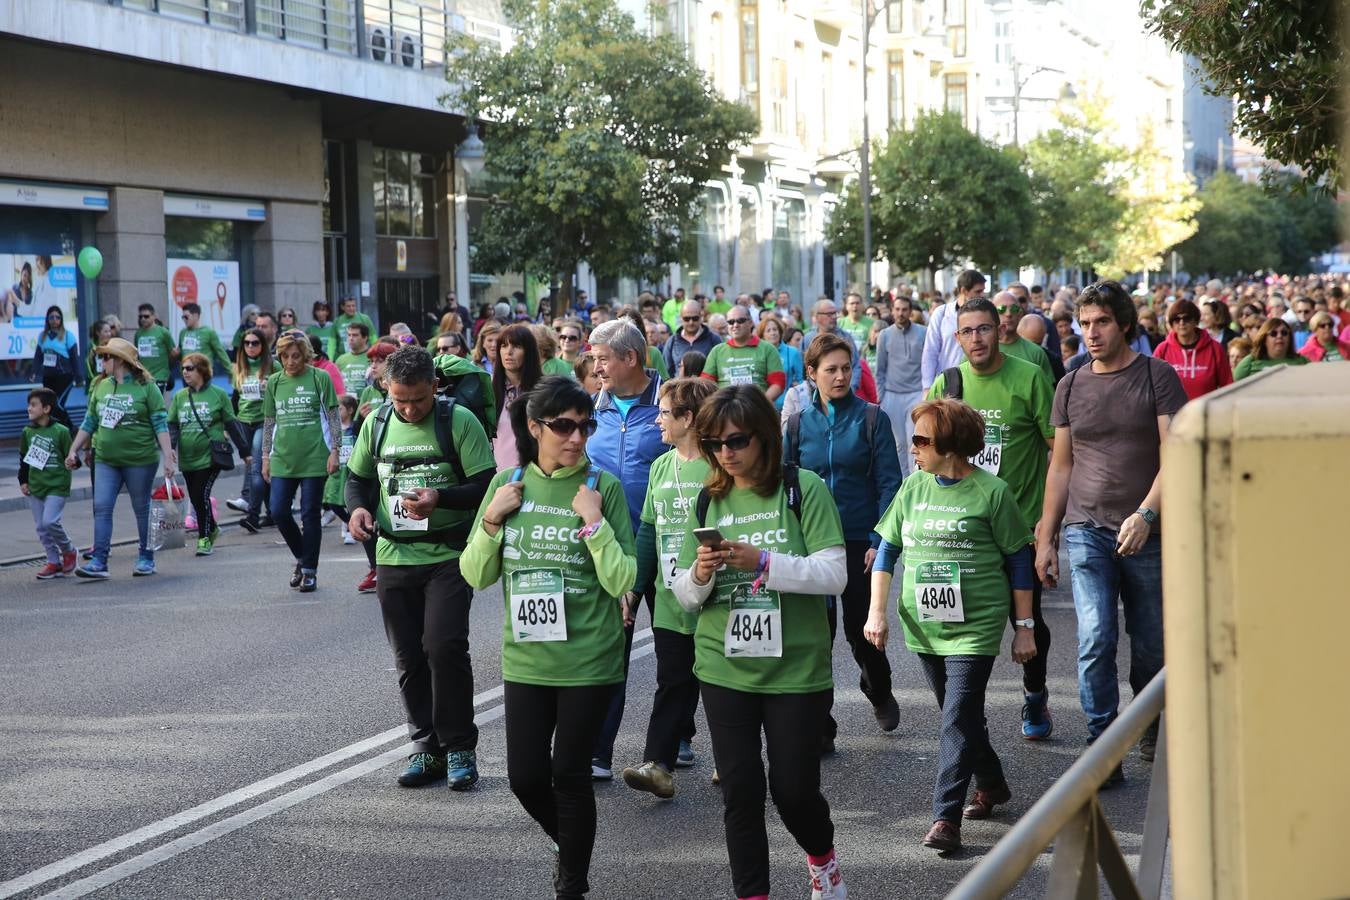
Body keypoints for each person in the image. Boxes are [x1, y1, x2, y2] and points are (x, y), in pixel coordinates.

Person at [672, 385, 850, 900]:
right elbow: (684, 595)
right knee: (740, 794)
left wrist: (766, 563)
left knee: (793, 792)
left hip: (795, 669)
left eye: (736, 440)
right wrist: (701, 574)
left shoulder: (802, 488)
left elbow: (834, 573)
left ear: (765, 438)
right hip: (724, 667)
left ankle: (823, 862)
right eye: (712, 444)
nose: (724, 453)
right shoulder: (709, 497)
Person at [461, 376, 636, 900]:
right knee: (526, 778)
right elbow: (475, 575)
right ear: (535, 427)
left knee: (570, 775)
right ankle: (571, 846)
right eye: (564, 426)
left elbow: (624, 579)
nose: (577, 437)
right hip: (527, 660)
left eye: (586, 426)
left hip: (589, 657)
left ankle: (573, 886)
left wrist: (594, 525)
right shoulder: (507, 486)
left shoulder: (601, 489)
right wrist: (492, 520)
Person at [864, 398, 1037, 853]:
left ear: (952, 445)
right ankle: (993, 783)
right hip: (924, 625)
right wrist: (876, 612)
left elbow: (1020, 558)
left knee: (957, 717)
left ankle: (945, 817)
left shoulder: (992, 492)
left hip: (974, 626)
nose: (914, 448)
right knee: (956, 713)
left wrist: (1024, 626)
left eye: (922, 440)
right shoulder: (914, 487)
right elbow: (886, 551)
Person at [1036, 281, 1187, 783]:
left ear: (1123, 322)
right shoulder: (1071, 384)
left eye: (1101, 322)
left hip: (1150, 531)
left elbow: (1177, 454)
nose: (1091, 333)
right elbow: (1060, 467)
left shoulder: (1157, 376)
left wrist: (1146, 515)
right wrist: (1046, 537)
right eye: (1084, 324)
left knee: (1149, 643)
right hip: (1086, 529)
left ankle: (1147, 724)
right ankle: (1102, 743)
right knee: (1096, 633)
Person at [346, 346, 495, 791]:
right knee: (409, 656)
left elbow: (487, 485)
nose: (409, 409)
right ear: (386, 391)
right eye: (400, 401)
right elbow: (357, 480)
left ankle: (460, 748)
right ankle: (425, 747)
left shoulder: (458, 421)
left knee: (444, 647)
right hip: (393, 556)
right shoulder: (376, 423)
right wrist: (356, 511)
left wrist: (441, 497)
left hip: (448, 556)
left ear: (435, 386)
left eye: (418, 400)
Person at [926, 299, 1057, 740]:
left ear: (999, 331)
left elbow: (1059, 450)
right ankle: (968, 723)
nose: (977, 338)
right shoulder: (948, 385)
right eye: (968, 331)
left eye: (985, 329)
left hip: (1021, 527)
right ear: (957, 337)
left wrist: (1050, 524)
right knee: (963, 630)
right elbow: (927, 454)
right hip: (965, 531)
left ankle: (1035, 693)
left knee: (1028, 621)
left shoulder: (1030, 376)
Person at [784, 334, 902, 738]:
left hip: (859, 541)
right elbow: (787, 483)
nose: (839, 377)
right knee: (817, 634)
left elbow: (890, 484)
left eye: (846, 369)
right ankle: (821, 721)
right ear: (811, 374)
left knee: (859, 631)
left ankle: (878, 689)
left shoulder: (872, 418)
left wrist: (878, 540)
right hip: (812, 542)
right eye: (830, 370)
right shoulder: (798, 424)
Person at [620, 377, 718, 799]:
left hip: (715, 596)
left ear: (688, 418)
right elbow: (647, 533)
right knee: (672, 680)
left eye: (664, 412)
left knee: (717, 681)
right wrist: (635, 589)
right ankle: (658, 765)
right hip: (668, 595)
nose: (657, 419)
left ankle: (732, 760)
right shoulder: (661, 466)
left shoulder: (718, 465)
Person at [584, 320, 667, 779]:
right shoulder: (591, 407)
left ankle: (677, 734)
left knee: (678, 650)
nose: (595, 368)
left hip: (667, 543)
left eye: (601, 359)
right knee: (610, 646)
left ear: (630, 358)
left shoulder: (669, 403)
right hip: (611, 545)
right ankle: (599, 752)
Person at [65, 338, 176, 578]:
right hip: (105, 459)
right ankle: (99, 561)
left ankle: (146, 558)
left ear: (120, 361)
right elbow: (90, 421)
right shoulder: (101, 387)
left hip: (140, 459)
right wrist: (74, 449)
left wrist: (168, 456)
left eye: (106, 357)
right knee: (102, 507)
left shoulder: (147, 387)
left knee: (141, 507)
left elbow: (159, 422)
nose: (102, 361)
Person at [261, 331, 341, 592]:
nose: (290, 361)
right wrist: (265, 457)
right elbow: (269, 421)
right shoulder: (274, 382)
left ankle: (310, 571)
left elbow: (333, 416)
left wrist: (335, 451)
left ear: (306, 355)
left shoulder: (320, 378)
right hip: (283, 457)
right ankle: (302, 557)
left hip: (315, 455)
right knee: (279, 512)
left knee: (309, 514)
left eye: (296, 356)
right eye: (285, 356)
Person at [168, 353, 252, 556]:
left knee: (201, 494)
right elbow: (172, 425)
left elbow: (232, 424)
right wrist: (169, 448)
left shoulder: (218, 394)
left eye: (190, 368)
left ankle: (204, 538)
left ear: (202, 371)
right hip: (188, 458)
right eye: (184, 369)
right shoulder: (179, 397)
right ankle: (213, 528)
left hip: (211, 456)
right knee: (196, 499)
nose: (185, 372)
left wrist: (245, 452)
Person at [20, 388, 77, 579]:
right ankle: (53, 561)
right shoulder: (27, 432)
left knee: (50, 521)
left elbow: (71, 456)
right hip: (36, 485)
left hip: (57, 485)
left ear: (46, 408)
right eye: (29, 404)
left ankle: (68, 549)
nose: (29, 408)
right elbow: (24, 459)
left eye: (33, 405)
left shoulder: (61, 431)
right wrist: (23, 481)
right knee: (41, 528)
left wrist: (73, 462)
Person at [226, 327, 274, 532]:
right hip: (243, 421)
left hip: (264, 421)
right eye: (247, 343)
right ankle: (273, 512)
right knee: (258, 470)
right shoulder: (239, 368)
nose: (250, 347)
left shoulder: (273, 365)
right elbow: (235, 399)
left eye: (255, 343)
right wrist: (231, 426)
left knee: (256, 468)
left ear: (262, 345)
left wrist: (269, 384)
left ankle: (253, 516)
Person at [875, 294, 927, 472]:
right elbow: (880, 369)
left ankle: (915, 480)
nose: (900, 313)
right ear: (892, 311)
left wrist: (925, 393)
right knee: (898, 444)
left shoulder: (923, 332)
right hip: (892, 395)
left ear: (910, 311)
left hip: (916, 394)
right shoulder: (884, 335)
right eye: (897, 309)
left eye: (904, 309)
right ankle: (902, 483)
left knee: (915, 441)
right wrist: (881, 397)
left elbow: (927, 364)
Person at [1154, 298, 1233, 400]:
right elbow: (1152, 386)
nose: (1181, 323)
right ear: (1172, 323)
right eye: (1177, 320)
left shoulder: (1215, 348)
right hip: (1173, 414)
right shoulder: (1162, 349)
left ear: (1195, 321)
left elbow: (1227, 385)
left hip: (1206, 413)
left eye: (1186, 318)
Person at [700, 308, 785, 402]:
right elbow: (705, 384)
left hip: (757, 409)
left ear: (751, 323)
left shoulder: (768, 349)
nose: (735, 325)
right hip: (725, 411)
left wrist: (761, 404)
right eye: (731, 322)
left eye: (740, 321)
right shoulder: (717, 351)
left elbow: (778, 382)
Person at [922, 269, 987, 390]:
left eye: (983, 291)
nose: (982, 295)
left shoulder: (986, 314)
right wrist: (927, 387)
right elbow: (930, 352)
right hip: (948, 383)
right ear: (963, 291)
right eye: (978, 291)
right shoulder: (941, 314)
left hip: (979, 383)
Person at [493, 324, 545, 472]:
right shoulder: (487, 390)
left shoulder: (544, 390)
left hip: (536, 473)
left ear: (528, 351)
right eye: (503, 346)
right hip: (496, 476)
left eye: (516, 346)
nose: (508, 352)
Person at [30, 306, 81, 432]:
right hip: (48, 377)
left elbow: (74, 358)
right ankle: (59, 431)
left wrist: (79, 376)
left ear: (61, 319)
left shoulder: (68, 336)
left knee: (57, 403)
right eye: (51, 317)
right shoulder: (43, 336)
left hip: (65, 376)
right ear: (47, 319)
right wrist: (33, 372)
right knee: (51, 406)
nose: (54, 320)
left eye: (57, 317)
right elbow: (38, 356)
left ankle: (71, 429)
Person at [991, 291, 1055, 382]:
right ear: (992, 314)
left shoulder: (1036, 353)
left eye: (1014, 309)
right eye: (1001, 309)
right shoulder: (981, 350)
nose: (1008, 314)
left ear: (1020, 314)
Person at [802, 297, 862, 390]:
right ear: (817, 316)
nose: (834, 317)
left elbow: (856, 366)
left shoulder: (846, 337)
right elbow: (804, 369)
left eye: (835, 313)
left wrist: (850, 389)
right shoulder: (808, 338)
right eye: (829, 314)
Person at [1233, 318, 1309, 379]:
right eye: (1273, 333)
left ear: (1290, 338)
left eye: (1284, 333)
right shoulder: (1250, 361)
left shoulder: (1302, 361)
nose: (1279, 336)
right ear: (1264, 339)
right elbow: (1232, 387)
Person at [662, 301, 722, 376]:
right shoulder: (672, 341)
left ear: (701, 317)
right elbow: (666, 371)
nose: (691, 322)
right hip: (679, 386)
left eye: (695, 318)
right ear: (681, 318)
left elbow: (721, 368)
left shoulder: (714, 339)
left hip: (706, 386)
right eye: (686, 319)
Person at [757, 316, 801, 410]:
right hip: (763, 407)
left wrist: (796, 386)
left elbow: (800, 380)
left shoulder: (793, 352)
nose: (773, 333)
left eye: (775, 329)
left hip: (787, 407)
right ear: (762, 335)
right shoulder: (757, 354)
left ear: (780, 332)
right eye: (768, 330)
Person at [177, 302, 231, 374]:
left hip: (203, 373)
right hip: (187, 372)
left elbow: (220, 353)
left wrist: (230, 371)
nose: (184, 320)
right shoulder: (183, 333)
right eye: (182, 317)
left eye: (186, 317)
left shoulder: (209, 332)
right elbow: (181, 354)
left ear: (195, 316)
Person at [133, 304, 175, 395]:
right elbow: (136, 354)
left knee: (156, 402)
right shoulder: (138, 333)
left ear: (153, 316)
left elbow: (172, 353)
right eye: (140, 317)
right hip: (143, 376)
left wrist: (167, 370)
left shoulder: (163, 332)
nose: (143, 319)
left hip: (160, 375)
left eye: (146, 316)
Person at [336, 322, 373, 392]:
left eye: (355, 335)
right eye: (349, 335)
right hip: (345, 401)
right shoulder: (340, 360)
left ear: (365, 337)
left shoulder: (373, 358)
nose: (351, 338)